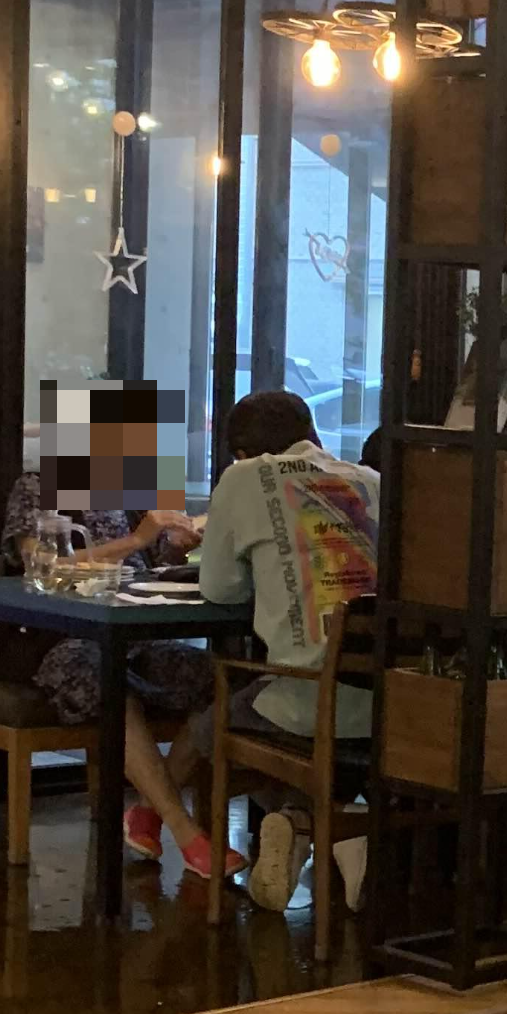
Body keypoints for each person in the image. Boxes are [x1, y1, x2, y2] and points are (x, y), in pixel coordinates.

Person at [1, 448, 225, 880]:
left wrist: (179, 545)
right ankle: (185, 832)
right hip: (62, 636)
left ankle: (148, 812)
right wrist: (136, 540)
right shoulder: (37, 486)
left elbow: (155, 565)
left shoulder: (131, 491)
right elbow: (40, 566)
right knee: (105, 674)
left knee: (216, 681)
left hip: (137, 634)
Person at [196, 389, 380, 914]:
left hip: (305, 702)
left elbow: (220, 590)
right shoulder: (371, 481)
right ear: (313, 433)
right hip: (391, 703)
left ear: (241, 452)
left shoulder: (242, 479)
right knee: (317, 718)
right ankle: (333, 825)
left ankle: (306, 823)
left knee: (207, 730)